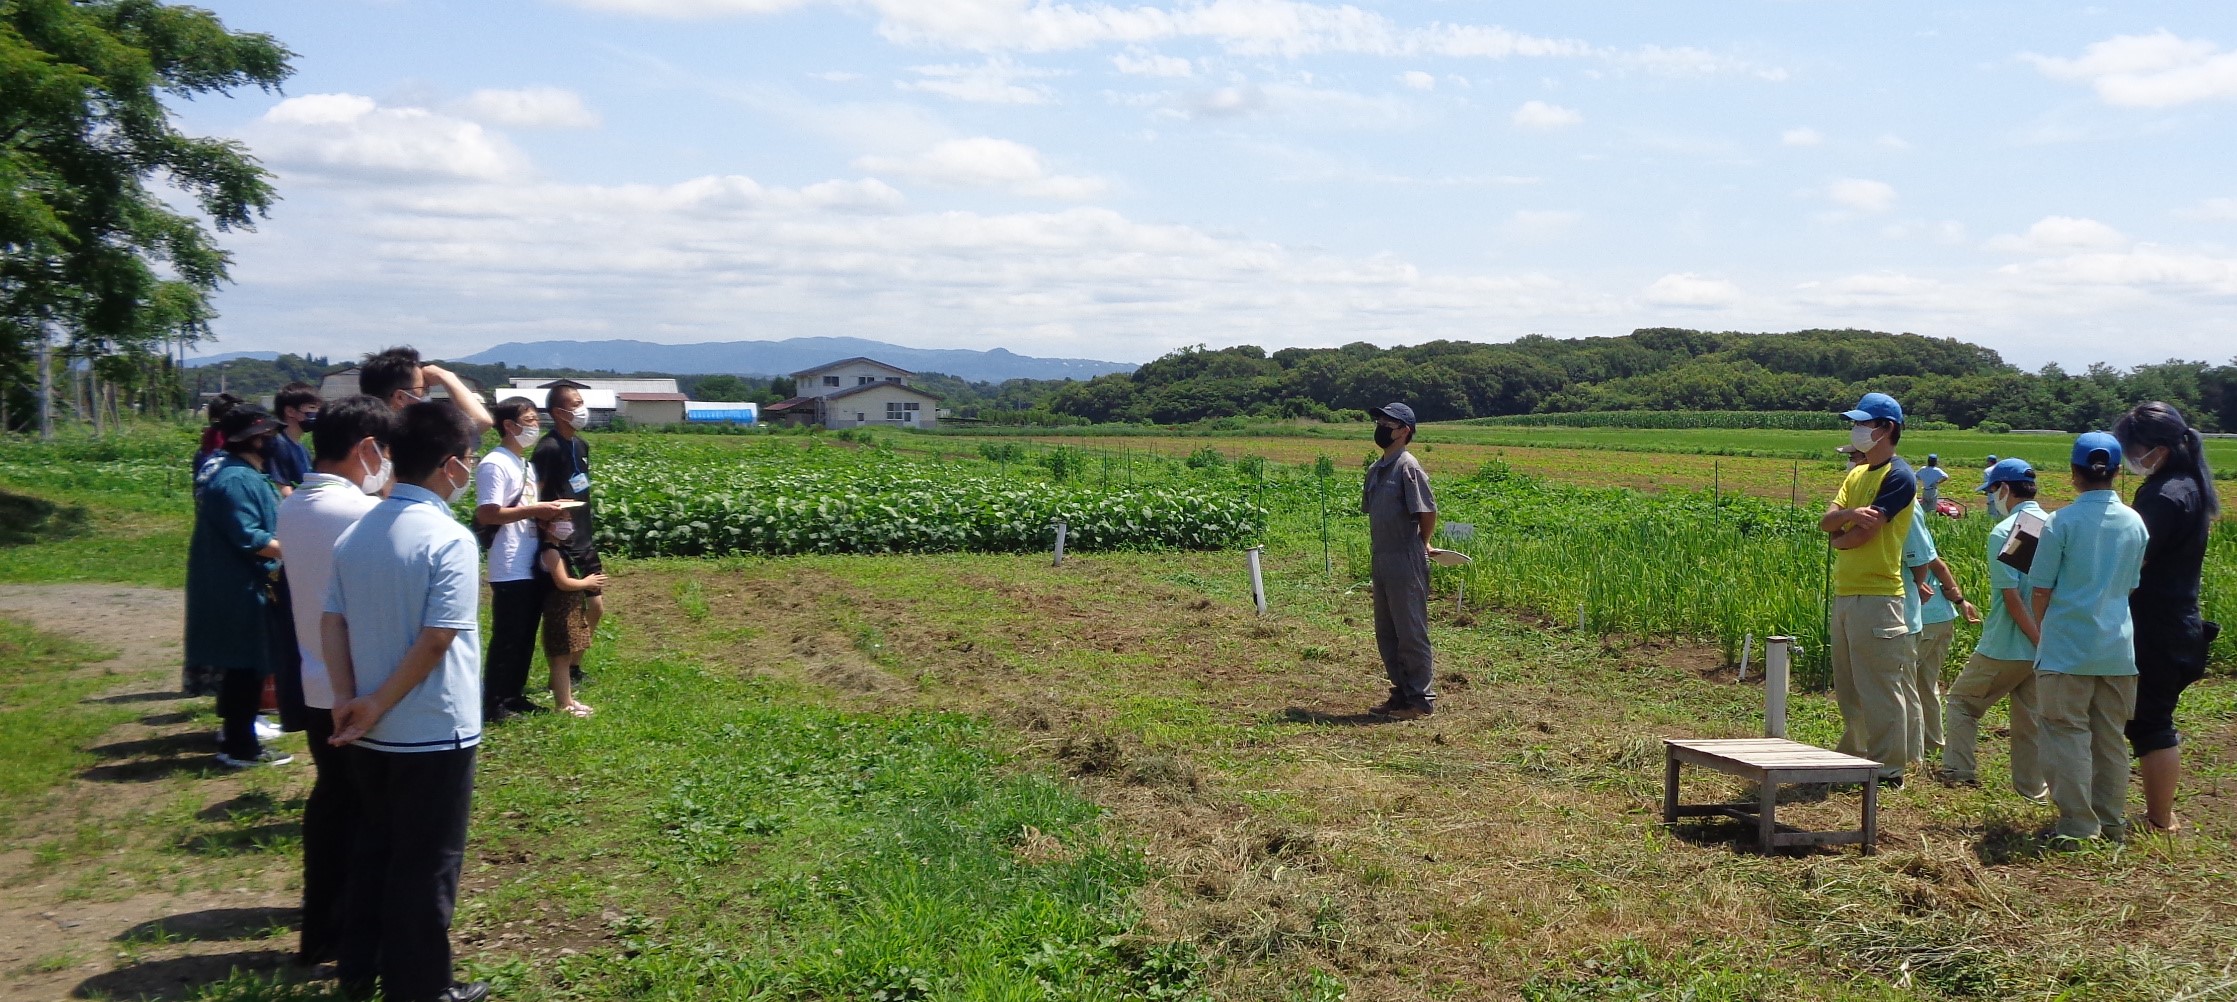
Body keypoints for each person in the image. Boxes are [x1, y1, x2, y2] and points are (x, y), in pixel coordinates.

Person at [321, 400, 490, 1002]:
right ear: (450, 466)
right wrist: (376, 703)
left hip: (368, 731)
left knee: (376, 852)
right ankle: (423, 989)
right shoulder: (449, 538)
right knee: (427, 868)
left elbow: (332, 621)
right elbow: (439, 637)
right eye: (469, 460)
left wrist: (351, 700)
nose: (469, 470)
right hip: (433, 729)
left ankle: (359, 972)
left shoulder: (357, 530)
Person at [273, 395, 394, 964]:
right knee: (368, 818)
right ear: (367, 449)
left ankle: (320, 931)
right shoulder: (361, 515)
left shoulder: (295, 505)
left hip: (316, 679)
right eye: (387, 452)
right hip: (360, 689)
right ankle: (357, 938)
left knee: (332, 806)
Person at [2028, 432, 2148, 845]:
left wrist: (2043, 630)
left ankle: (2079, 827)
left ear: (2074, 473)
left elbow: (2040, 588)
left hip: (2066, 648)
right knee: (2110, 738)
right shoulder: (2135, 522)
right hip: (2118, 648)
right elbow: (2130, 585)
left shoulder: (2061, 522)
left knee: (2066, 733)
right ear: (2116, 472)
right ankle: (2111, 821)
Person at [2113, 402, 2220, 835]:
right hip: (2174, 620)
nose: (2129, 459)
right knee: (2145, 718)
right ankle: (2159, 814)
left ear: (2155, 449)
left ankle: (2161, 818)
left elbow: (2133, 558)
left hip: (2157, 625)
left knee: (2151, 723)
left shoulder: (2165, 495)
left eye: (2131, 449)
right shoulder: (2186, 485)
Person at [1820, 392, 1920, 786]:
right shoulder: (1857, 473)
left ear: (1887, 429)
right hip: (1847, 592)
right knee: (1849, 685)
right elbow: (1828, 521)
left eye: (1865, 423)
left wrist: (1841, 533)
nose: (1858, 430)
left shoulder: (1899, 476)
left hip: (1879, 595)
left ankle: (1888, 767)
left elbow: (1858, 537)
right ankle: (1856, 758)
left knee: (1880, 685)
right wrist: (1845, 519)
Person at [185, 407, 290, 768]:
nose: (274, 441)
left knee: (244, 668)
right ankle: (241, 746)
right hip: (238, 587)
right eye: (270, 435)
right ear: (256, 439)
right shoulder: (235, 481)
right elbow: (251, 537)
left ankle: (238, 738)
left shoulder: (246, 475)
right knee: (244, 668)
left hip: (245, 584)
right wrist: (303, 550)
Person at [1940, 459, 2048, 798]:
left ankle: (1959, 774)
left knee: (1961, 703)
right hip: (2045, 646)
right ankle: (2032, 789)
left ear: (2004, 489)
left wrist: (2035, 638)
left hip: (2008, 644)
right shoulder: (2054, 524)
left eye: (1992, 492)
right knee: (2030, 719)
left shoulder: (2010, 531)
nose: (1991, 499)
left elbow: (2013, 597)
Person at [477, 400, 567, 721]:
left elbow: (521, 512)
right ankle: (495, 703)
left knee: (525, 634)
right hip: (508, 562)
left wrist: (546, 518)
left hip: (527, 559)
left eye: (535, 420)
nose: (534, 426)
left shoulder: (524, 464)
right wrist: (535, 511)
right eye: (527, 421)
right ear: (508, 426)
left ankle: (514, 696)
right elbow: (488, 512)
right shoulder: (495, 464)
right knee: (508, 636)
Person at [1361, 402, 1438, 720]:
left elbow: (1428, 511)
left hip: (1405, 558)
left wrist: (1424, 542)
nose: (1380, 426)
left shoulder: (1409, 467)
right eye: (1379, 420)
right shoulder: (1377, 468)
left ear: (1404, 431)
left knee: (1410, 631)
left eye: (1387, 422)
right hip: (1382, 556)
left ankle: (1420, 701)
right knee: (1387, 632)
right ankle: (1401, 692)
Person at [530, 382, 604, 686]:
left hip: (584, 536)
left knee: (596, 607)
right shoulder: (547, 449)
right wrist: (547, 532)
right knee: (567, 611)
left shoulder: (581, 445)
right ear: (558, 412)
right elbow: (536, 494)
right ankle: (562, 673)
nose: (581, 409)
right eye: (575, 404)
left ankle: (573, 667)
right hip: (561, 539)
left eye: (581, 402)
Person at [1901, 505, 1980, 765]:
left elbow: (1934, 568)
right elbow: (1942, 569)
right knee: (1927, 683)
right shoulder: (1923, 542)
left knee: (1906, 684)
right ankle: (1933, 743)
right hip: (1944, 619)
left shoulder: (1907, 540)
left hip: (1924, 621)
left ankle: (1909, 751)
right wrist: (1960, 601)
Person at [537, 518, 606, 718]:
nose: (568, 524)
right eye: (561, 521)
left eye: (568, 520)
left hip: (567, 610)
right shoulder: (550, 552)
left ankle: (567, 699)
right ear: (544, 525)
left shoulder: (559, 549)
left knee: (565, 657)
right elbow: (563, 582)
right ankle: (562, 704)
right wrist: (586, 582)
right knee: (560, 659)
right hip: (559, 611)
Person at [358, 345, 494, 432]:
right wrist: (446, 376)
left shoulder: (358, 432)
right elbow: (481, 421)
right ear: (400, 397)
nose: (426, 395)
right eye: (424, 389)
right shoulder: (416, 436)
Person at [267, 382, 321, 495]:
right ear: (290, 411)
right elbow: (282, 488)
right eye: (312, 407)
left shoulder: (302, 448)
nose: (317, 413)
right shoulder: (278, 444)